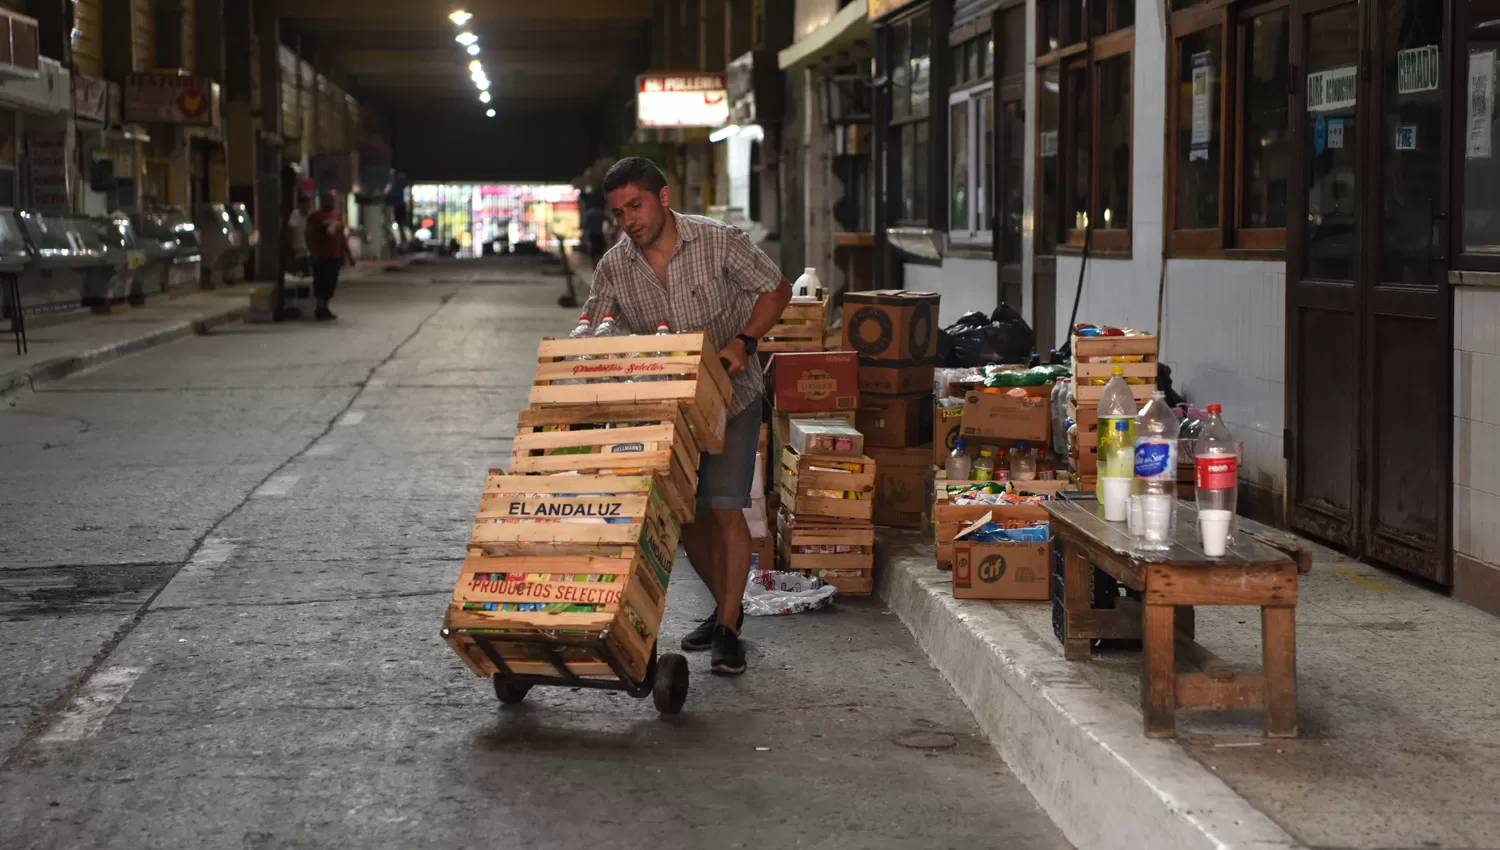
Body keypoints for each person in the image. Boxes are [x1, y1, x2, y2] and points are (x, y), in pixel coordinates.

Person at [580, 157, 792, 676]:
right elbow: (593, 323)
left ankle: (726, 631)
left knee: (723, 508)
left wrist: (745, 342)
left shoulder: (718, 242)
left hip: (730, 395)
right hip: (665, 406)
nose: (629, 220)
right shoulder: (615, 266)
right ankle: (728, 606)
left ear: (664, 197)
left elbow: (777, 288)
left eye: (637, 205)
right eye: (619, 212)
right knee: (685, 514)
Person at [305, 189, 354, 321]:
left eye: (332, 200)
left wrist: (348, 255)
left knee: (331, 282)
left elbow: (341, 237)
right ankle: (320, 307)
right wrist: (312, 251)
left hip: (334, 255)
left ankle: (325, 306)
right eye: (328, 200)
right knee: (321, 280)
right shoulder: (315, 217)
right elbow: (309, 235)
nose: (330, 202)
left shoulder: (337, 217)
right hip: (320, 255)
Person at [286, 193, 312, 278]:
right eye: (304, 204)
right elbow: (290, 231)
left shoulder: (311, 216)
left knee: (308, 277)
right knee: (298, 278)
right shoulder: (295, 215)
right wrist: (290, 248)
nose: (306, 207)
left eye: (308, 204)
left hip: (308, 252)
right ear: (300, 205)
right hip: (297, 252)